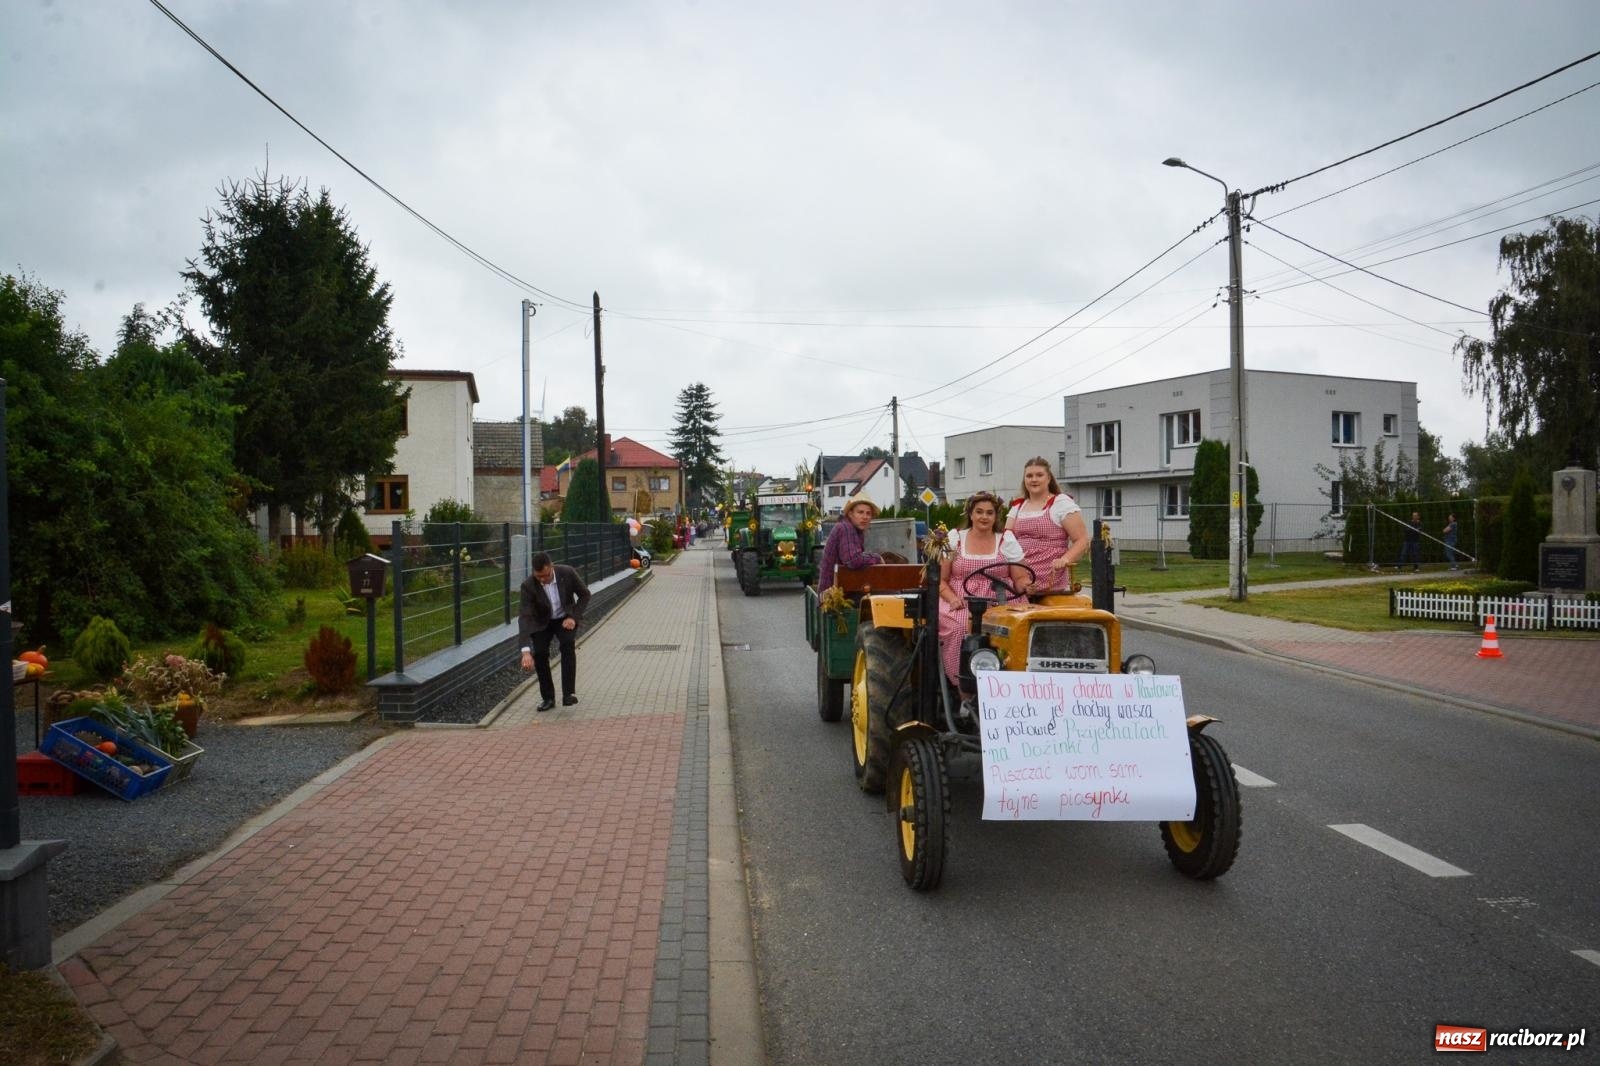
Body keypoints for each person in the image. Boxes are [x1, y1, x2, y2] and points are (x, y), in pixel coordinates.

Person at [938, 492, 1026, 697]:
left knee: (1017, 630)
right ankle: (965, 691)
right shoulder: (955, 538)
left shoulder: (1006, 539)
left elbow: (1020, 577)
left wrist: (1025, 586)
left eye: (989, 513)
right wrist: (952, 599)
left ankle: (1014, 687)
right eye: (979, 512)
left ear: (996, 516)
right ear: (970, 514)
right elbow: (940, 580)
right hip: (960, 597)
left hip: (1000, 598)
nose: (984, 517)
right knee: (961, 628)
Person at [1004, 456, 1090, 596]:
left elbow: (1082, 540)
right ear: (1024, 479)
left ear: (1049, 478)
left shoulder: (1061, 503)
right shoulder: (1018, 506)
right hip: (1018, 574)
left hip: (1049, 577)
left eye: (1039, 475)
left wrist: (1064, 560)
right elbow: (1006, 539)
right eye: (1029, 476)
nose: (1034, 479)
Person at [518, 552, 591, 711]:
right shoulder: (528, 585)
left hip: (564, 619)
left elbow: (585, 594)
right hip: (542, 623)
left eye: (545, 575)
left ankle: (568, 694)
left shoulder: (567, 572)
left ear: (552, 567)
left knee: (567, 645)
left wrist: (573, 617)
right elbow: (524, 617)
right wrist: (525, 651)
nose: (542, 580)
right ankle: (548, 698)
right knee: (541, 653)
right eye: (538, 576)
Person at [816, 493, 883, 593]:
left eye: (868, 513)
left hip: (839, 588)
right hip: (833, 595)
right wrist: (877, 558)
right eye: (860, 512)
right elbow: (853, 560)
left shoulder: (854, 530)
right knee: (891, 593)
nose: (865, 517)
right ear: (850, 514)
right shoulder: (846, 528)